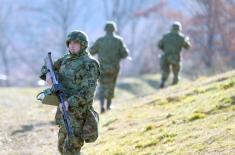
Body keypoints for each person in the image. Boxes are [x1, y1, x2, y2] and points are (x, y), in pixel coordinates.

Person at [39, 30, 100, 154]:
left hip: (79, 113)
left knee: (71, 148)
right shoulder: (65, 59)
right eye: (70, 43)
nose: (72, 45)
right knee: (61, 147)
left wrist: (69, 102)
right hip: (63, 110)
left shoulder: (90, 64)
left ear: (83, 45)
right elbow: (47, 66)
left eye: (76, 43)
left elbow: (88, 92)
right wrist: (48, 75)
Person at [90, 21, 129, 113]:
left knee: (102, 86)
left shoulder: (100, 40)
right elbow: (125, 53)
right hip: (114, 68)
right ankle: (108, 105)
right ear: (114, 29)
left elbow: (91, 52)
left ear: (105, 30)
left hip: (102, 68)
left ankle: (102, 106)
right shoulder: (119, 41)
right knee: (111, 86)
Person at [158, 21, 191, 88]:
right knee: (176, 74)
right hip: (176, 57)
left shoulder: (165, 36)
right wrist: (186, 41)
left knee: (165, 71)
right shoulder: (181, 37)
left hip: (166, 57)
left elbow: (159, 45)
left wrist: (165, 49)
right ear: (179, 29)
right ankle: (174, 87)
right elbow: (187, 47)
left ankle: (162, 82)